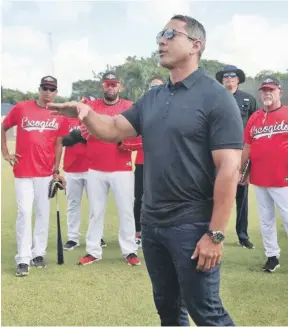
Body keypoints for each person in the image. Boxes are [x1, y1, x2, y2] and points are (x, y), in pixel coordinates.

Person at [47, 15, 243, 326]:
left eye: (169, 34)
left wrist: (215, 235)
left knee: (206, 312)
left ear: (196, 45)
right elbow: (112, 129)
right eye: (159, 34)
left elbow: (229, 169)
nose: (161, 41)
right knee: (168, 310)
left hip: (191, 225)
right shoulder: (154, 97)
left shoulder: (216, 97)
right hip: (152, 224)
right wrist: (85, 113)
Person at [1, 76, 67, 277]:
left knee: (41, 213)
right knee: (24, 212)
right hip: (23, 171)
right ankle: (23, 258)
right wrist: (5, 153)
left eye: (52, 89)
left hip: (45, 173)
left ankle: (38, 253)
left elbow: (59, 143)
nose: (48, 92)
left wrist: (56, 169)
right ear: (39, 89)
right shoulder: (21, 108)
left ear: (56, 92)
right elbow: (3, 127)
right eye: (45, 88)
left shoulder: (59, 114)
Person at [77, 72, 141, 266]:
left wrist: (126, 145)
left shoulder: (130, 107)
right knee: (95, 211)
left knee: (126, 210)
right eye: (108, 84)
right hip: (96, 168)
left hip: (122, 168)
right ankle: (93, 251)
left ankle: (129, 250)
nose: (111, 87)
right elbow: (84, 131)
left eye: (114, 84)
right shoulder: (92, 107)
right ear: (102, 86)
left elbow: (139, 136)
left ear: (119, 87)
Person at [241, 76, 288, 273]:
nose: (267, 93)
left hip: (283, 178)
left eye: (271, 90)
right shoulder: (255, 117)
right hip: (259, 177)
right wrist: (241, 170)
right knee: (265, 219)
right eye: (264, 90)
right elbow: (248, 146)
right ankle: (272, 256)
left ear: (280, 92)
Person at [216, 65, 258, 249]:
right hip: (218, 153)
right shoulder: (215, 98)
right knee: (216, 194)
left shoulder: (249, 99)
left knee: (241, 196)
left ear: (238, 80)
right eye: (225, 77)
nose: (229, 79)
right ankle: (215, 232)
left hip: (241, 154)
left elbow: (255, 127)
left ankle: (242, 235)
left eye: (232, 77)